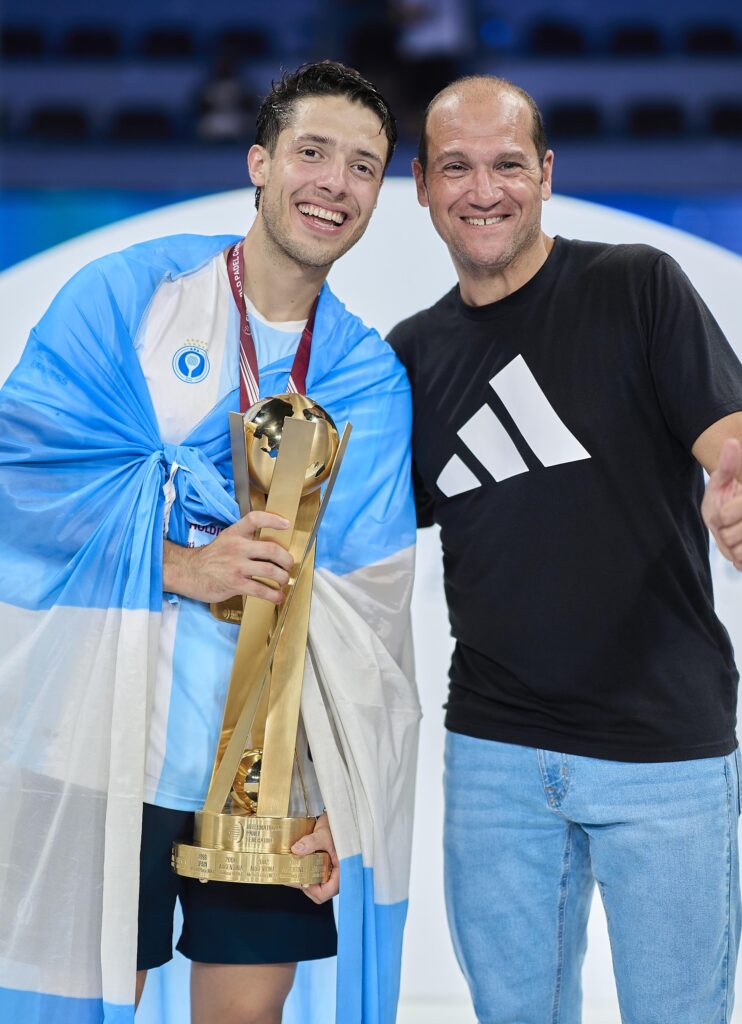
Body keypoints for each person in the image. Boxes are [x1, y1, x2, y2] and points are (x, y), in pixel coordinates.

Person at [0, 61, 418, 1024]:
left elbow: (371, 612)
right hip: (98, 748)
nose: (334, 182)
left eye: (362, 166)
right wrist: (184, 566)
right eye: (311, 152)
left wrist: (340, 795)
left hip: (271, 779)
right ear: (259, 163)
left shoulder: (365, 377)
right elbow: (22, 494)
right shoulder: (131, 297)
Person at [387, 75, 742, 1024]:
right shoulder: (411, 356)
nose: (484, 190)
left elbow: (741, 451)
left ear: (545, 173)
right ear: (422, 184)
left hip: (662, 757)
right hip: (493, 760)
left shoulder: (637, 285)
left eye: (507, 164)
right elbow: (365, 540)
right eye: (457, 167)